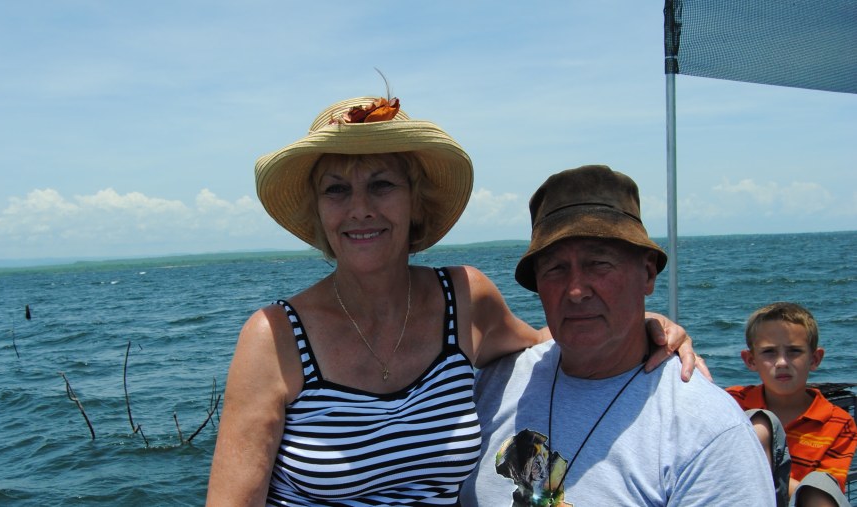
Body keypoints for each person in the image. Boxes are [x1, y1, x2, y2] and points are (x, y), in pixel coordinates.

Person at [205, 98, 701, 506]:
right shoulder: (274, 337)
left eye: (382, 184)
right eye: (337, 190)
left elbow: (548, 339)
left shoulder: (463, 299)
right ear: (318, 211)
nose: (360, 208)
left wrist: (644, 322)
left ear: (414, 201)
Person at [460, 165, 775, 506]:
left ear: (648, 274)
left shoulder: (707, 430)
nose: (576, 290)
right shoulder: (496, 385)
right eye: (556, 268)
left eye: (600, 263)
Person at [726, 302, 857, 503]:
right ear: (750, 360)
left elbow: (822, 496)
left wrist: (769, 473)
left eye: (794, 351)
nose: (782, 362)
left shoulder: (839, 423)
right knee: (761, 422)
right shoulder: (731, 401)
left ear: (815, 359)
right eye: (769, 352)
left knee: (818, 482)